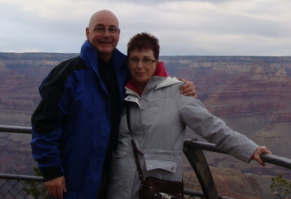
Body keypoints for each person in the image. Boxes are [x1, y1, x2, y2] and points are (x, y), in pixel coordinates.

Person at [31, 10, 196, 199]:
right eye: (100, 29)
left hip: (116, 175)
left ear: (118, 35)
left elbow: (153, 79)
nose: (106, 35)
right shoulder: (68, 74)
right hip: (75, 175)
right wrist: (52, 171)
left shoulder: (124, 71)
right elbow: (44, 124)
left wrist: (180, 87)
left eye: (112, 30)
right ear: (88, 32)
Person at [106, 32, 272, 199]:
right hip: (120, 189)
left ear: (157, 62)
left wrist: (250, 149)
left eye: (146, 59)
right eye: (134, 59)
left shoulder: (177, 93)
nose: (140, 65)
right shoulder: (121, 95)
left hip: (158, 188)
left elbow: (212, 126)